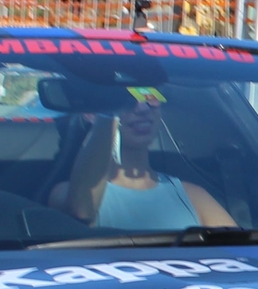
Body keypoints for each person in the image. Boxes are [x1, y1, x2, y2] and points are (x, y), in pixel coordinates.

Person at [55, 87, 235, 231]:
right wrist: (108, 116)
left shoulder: (193, 195)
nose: (142, 108)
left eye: (150, 96)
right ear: (91, 114)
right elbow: (81, 212)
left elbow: (239, 253)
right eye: (126, 100)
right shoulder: (67, 193)